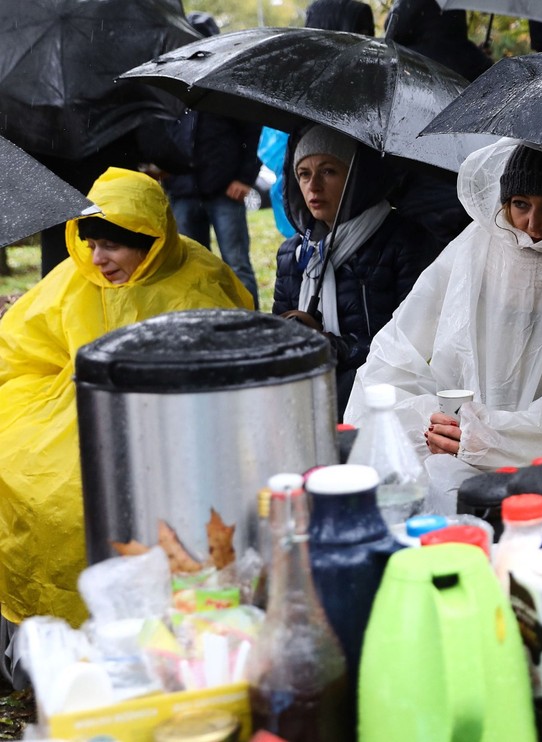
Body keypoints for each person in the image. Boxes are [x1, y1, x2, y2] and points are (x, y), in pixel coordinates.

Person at [0, 168, 252, 642]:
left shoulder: (197, 279)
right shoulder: (74, 279)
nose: (98, 259)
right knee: (42, 487)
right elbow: (18, 350)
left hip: (174, 423)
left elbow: (231, 363)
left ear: (148, 239)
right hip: (76, 409)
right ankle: (62, 634)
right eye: (91, 244)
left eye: (112, 246)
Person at [345, 139, 542, 507]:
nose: (532, 223)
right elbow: (396, 352)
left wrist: (491, 438)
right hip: (453, 447)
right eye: (520, 204)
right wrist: (434, 422)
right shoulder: (481, 241)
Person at [272, 125, 443, 419]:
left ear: (357, 178)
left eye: (328, 171)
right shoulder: (294, 254)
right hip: (305, 401)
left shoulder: (404, 241)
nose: (313, 186)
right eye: (303, 173)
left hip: (383, 403)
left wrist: (333, 347)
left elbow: (416, 345)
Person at [164, 13, 262, 307]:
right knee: (191, 267)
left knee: (237, 264)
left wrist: (245, 177)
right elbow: (162, 126)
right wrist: (161, 163)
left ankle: (252, 326)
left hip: (224, 190)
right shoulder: (170, 78)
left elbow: (251, 130)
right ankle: (203, 324)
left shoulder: (230, 82)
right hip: (181, 190)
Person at [304, 0, 375, 35]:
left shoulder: (314, 8)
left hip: (317, 61)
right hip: (349, 61)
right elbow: (369, 45)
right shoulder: (362, 9)